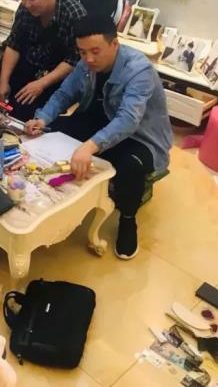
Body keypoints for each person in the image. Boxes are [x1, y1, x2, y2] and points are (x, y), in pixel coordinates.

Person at [25, 14, 172, 259]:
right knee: (50, 132)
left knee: (131, 167)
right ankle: (54, 196)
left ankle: (128, 219)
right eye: (82, 52)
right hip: (99, 119)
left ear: (114, 44)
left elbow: (128, 120)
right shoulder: (85, 62)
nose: (89, 59)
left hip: (139, 136)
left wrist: (89, 147)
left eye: (95, 51)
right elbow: (65, 93)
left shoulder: (139, 70)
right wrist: (43, 119)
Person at [0, 0, 86, 121]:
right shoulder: (25, 8)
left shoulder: (74, 14)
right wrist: (3, 82)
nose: (26, 4)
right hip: (25, 64)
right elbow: (14, 44)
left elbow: (73, 61)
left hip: (52, 75)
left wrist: (41, 84)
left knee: (21, 111)